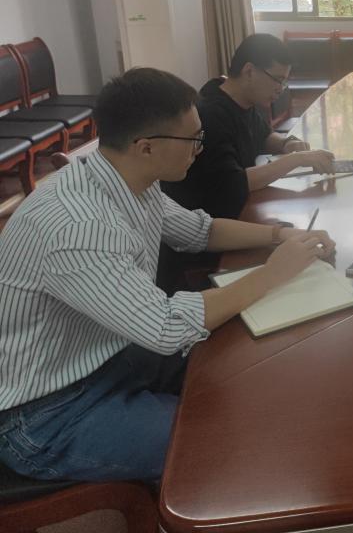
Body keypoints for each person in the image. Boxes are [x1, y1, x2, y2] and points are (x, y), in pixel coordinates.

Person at [0, 68, 336, 483]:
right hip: (46, 412)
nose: (200, 148)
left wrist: (280, 235)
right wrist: (273, 273)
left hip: (109, 353)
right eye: (193, 139)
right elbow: (166, 327)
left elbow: (200, 231)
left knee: (248, 367)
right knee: (222, 446)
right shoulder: (79, 227)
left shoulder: (129, 181)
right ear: (146, 147)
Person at [162, 33, 335, 221]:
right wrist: (297, 159)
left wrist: (287, 144)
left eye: (284, 82)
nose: (280, 88)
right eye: (277, 79)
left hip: (238, 206)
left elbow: (264, 135)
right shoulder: (211, 114)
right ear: (249, 71)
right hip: (211, 220)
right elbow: (233, 183)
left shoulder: (240, 99)